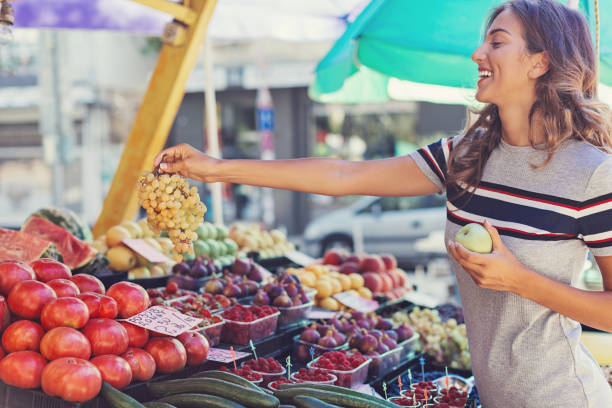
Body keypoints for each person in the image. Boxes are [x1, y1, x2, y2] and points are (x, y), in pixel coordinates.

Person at [154, 0, 612, 406]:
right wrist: (215, 168)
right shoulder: (466, 155)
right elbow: (342, 175)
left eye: (497, 42)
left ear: (540, 62)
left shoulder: (591, 173)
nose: (478, 54)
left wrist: (519, 281)